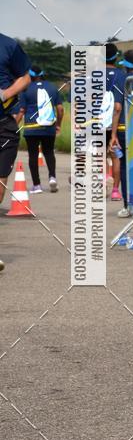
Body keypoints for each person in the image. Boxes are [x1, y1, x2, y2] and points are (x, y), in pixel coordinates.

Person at [0, 33, 31, 271]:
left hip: (3, 124)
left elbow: (24, 77)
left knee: (0, 183)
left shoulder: (8, 45)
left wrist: (5, 94)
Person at [16, 66, 64, 193]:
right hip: (49, 127)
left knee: (33, 155)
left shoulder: (25, 89)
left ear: (30, 75)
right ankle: (52, 177)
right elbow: (60, 109)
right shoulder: (52, 87)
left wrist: (13, 126)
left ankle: (37, 185)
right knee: (49, 152)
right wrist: (58, 124)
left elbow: (21, 111)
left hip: (31, 128)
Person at [111, 48, 133, 218]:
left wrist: (113, 134)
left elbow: (117, 108)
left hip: (126, 128)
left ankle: (128, 205)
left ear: (126, 65)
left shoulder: (121, 79)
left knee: (125, 166)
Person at [103, 43, 126, 202]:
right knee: (115, 156)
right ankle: (116, 191)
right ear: (116, 57)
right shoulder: (121, 75)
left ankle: (102, 184)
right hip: (116, 124)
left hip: (95, 123)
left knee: (98, 156)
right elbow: (118, 107)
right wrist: (113, 133)